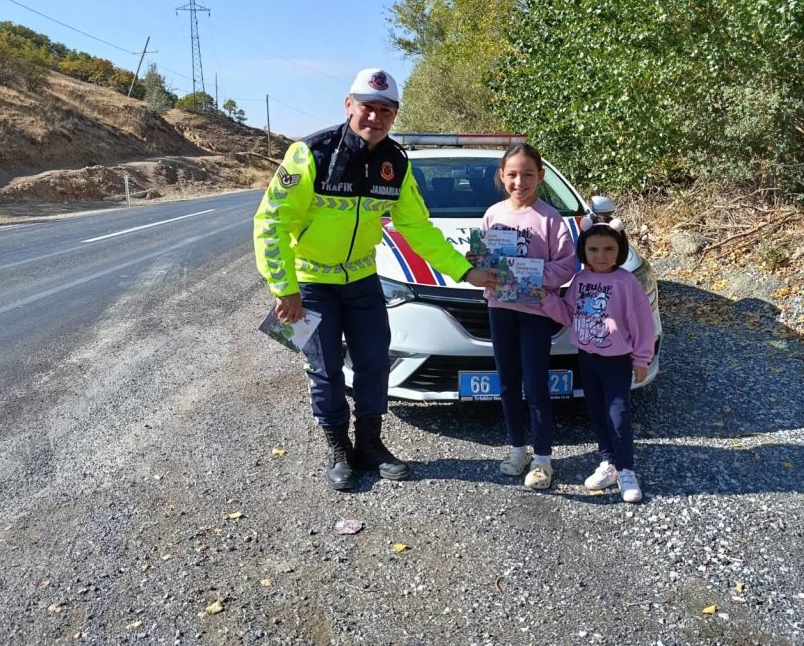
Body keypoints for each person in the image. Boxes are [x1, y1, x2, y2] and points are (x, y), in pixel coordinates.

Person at [253, 68, 495, 491]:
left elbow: (417, 229)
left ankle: (370, 446)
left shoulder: (396, 163)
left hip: (363, 280)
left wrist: (464, 270)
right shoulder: (310, 154)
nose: (375, 117)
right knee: (326, 368)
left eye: (386, 111)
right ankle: (338, 448)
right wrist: (284, 287)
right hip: (311, 283)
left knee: (373, 363)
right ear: (349, 105)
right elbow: (271, 223)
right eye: (368, 107)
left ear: (395, 115)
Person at [480, 142, 577, 490]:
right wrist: (479, 265)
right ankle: (517, 449)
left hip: (535, 312)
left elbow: (566, 266)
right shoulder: (492, 214)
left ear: (541, 176)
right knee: (508, 383)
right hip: (500, 309)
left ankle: (543, 460)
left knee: (535, 385)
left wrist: (532, 275)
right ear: (501, 176)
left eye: (527, 174)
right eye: (512, 174)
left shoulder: (550, 218)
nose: (519, 182)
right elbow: (485, 261)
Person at [539, 218, 655, 503]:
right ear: (583, 250)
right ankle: (608, 463)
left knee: (618, 415)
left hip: (617, 361)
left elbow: (643, 323)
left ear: (620, 249)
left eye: (608, 249)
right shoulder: (580, 280)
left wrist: (642, 358)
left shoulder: (626, 282)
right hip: (587, 358)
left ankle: (626, 470)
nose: (600, 255)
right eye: (593, 249)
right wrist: (545, 298)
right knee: (597, 413)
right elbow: (569, 315)